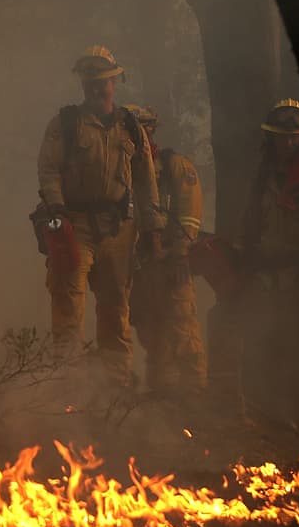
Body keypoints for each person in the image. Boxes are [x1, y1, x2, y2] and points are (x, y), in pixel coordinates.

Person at [35, 46, 165, 390]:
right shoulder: (66, 123)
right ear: (82, 85)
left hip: (120, 229)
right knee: (68, 304)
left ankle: (116, 390)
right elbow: (48, 170)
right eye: (89, 82)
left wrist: (153, 230)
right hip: (74, 225)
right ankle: (67, 388)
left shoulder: (130, 127)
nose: (96, 88)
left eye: (103, 82)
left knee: (116, 310)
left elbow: (146, 182)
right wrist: (57, 211)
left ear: (114, 82)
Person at [233, 99, 299, 430]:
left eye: (293, 137)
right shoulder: (260, 181)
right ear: (270, 139)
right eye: (281, 137)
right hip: (265, 281)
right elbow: (249, 226)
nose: (287, 143)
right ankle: (265, 425)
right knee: (260, 350)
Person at [122, 104, 207, 399]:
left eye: (141, 131)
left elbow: (190, 215)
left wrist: (180, 254)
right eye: (129, 132)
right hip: (140, 268)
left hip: (171, 264)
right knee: (152, 334)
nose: (135, 139)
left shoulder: (174, 167)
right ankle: (165, 400)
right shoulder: (119, 173)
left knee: (183, 328)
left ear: (151, 132)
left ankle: (194, 397)